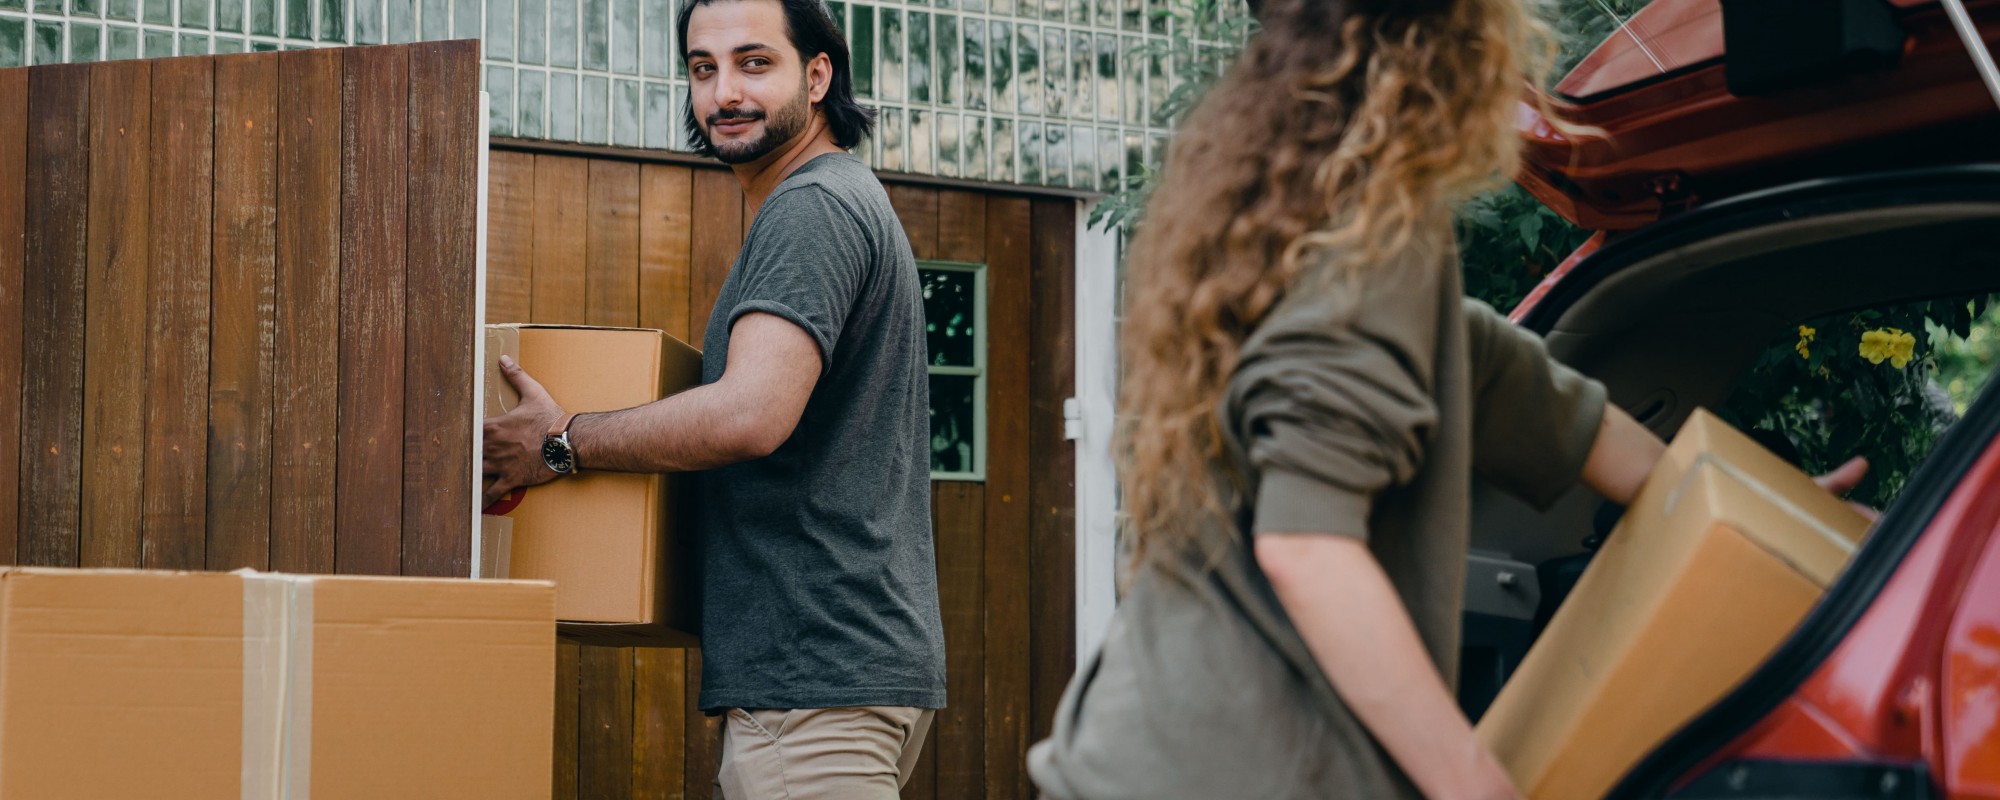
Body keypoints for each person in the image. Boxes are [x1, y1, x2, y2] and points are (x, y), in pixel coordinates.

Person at [1024, 0, 1869, 798]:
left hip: (1140, 755)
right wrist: (1471, 780)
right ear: (1450, 45)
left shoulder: (1287, 221)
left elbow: (1573, 425)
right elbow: (1308, 551)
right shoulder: (1374, 247)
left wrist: (1772, 516)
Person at [481, 0, 945, 795]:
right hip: (841, 669)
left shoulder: (813, 209)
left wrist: (562, 442)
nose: (724, 91)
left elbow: (750, 414)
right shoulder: (838, 201)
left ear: (818, 74)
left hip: (812, 677)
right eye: (704, 68)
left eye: (754, 62)